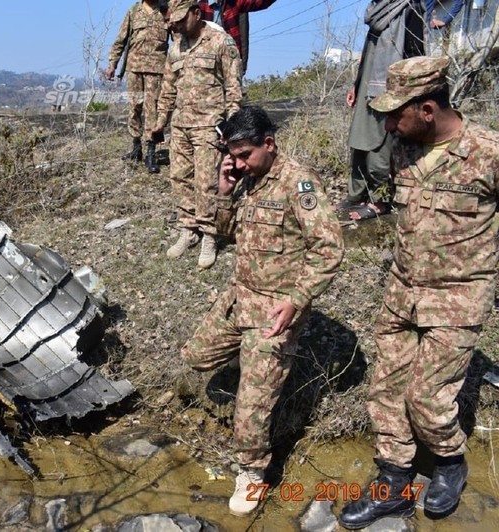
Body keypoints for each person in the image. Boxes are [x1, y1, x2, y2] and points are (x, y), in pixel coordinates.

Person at [338, 55, 499, 529]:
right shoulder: (407, 148)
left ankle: (450, 461)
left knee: (427, 398)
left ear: (427, 109)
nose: (388, 124)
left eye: (396, 113)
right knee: (387, 390)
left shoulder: (488, 152)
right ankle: (393, 479)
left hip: (457, 298)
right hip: (401, 292)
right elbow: (401, 204)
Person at [182, 106, 343, 515]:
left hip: (275, 309)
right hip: (240, 297)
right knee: (196, 358)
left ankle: (252, 471)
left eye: (244, 155)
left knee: (250, 405)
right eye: (231, 155)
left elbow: (329, 249)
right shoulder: (247, 181)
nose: (236, 163)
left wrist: (297, 300)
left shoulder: (299, 183)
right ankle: (259, 373)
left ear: (268, 144)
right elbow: (225, 233)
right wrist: (223, 190)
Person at [152, 0, 242, 269]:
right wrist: (160, 122)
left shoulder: (220, 42)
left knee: (206, 183)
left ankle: (209, 234)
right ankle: (188, 228)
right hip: (180, 126)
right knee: (179, 178)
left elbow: (234, 87)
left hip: (208, 126)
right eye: (174, 21)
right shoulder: (176, 47)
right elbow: (168, 89)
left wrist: (232, 125)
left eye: (182, 19)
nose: (177, 25)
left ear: (196, 12)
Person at [341, 0, 425, 221]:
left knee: (380, 145)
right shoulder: (376, 11)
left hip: (389, 90)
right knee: (359, 140)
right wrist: (356, 84)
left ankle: (379, 200)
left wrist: (404, 97)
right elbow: (369, 51)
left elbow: (416, 57)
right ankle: (356, 195)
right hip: (368, 85)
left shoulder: (408, 9)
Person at [107, 0, 170, 173]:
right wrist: (113, 64)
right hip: (134, 68)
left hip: (156, 70)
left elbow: (179, 38)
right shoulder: (134, 11)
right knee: (134, 107)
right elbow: (121, 39)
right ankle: (136, 149)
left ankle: (151, 152)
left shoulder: (166, 10)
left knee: (152, 110)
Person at [197, 0, 278, 77]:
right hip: (205, 64)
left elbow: (260, 2)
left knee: (233, 90)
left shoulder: (234, 3)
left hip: (231, 63)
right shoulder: (200, 7)